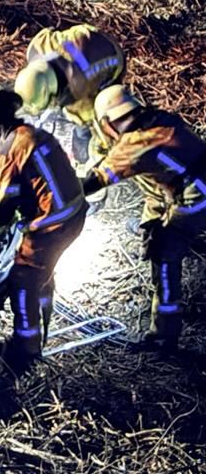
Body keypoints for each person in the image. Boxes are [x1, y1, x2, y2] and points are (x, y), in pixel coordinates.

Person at [81, 85, 206, 352]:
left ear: (107, 122)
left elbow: (96, 180)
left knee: (164, 256)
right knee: (155, 227)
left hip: (196, 195)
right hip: (180, 186)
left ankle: (163, 337)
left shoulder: (135, 143)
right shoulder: (159, 121)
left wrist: (57, 192)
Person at [0, 87, 87, 371]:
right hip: (75, 215)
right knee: (43, 272)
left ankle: (26, 350)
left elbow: (2, 207)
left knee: (23, 279)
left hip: (52, 226)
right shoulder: (33, 134)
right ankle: (44, 316)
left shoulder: (7, 152)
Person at [14, 25, 125, 164]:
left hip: (112, 56)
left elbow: (88, 119)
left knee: (89, 126)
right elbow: (49, 31)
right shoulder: (36, 48)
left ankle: (85, 155)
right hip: (87, 34)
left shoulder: (78, 88)